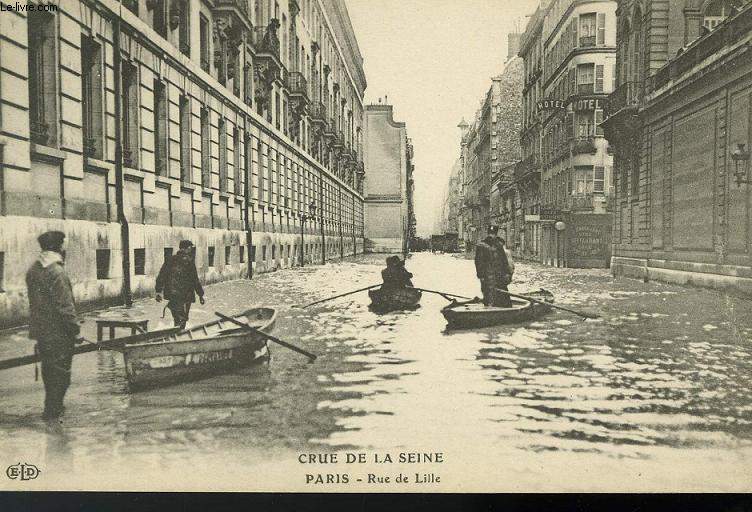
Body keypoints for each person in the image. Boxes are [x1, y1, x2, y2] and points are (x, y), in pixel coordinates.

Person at [26, 231, 83, 421]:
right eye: (64, 245)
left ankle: (52, 411)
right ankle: (52, 415)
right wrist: (75, 331)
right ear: (58, 247)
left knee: (49, 372)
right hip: (59, 334)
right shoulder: (57, 272)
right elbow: (65, 307)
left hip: (42, 333)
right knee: (61, 375)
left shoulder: (34, 270)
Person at [155, 240, 205, 329]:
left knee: (177, 317)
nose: (191, 250)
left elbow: (162, 275)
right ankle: (180, 335)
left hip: (172, 294)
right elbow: (195, 280)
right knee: (183, 318)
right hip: (186, 295)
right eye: (190, 248)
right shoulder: (189, 261)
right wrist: (200, 295)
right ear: (186, 248)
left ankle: (177, 332)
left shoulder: (170, 259)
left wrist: (158, 291)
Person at [474, 226, 514, 307]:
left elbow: (504, 261)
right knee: (491, 294)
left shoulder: (496, 245)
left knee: (497, 294)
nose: (492, 236)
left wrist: (506, 273)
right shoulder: (485, 246)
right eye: (491, 234)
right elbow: (478, 262)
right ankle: (492, 310)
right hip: (491, 275)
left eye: (493, 234)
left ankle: (497, 310)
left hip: (495, 275)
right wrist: (481, 275)